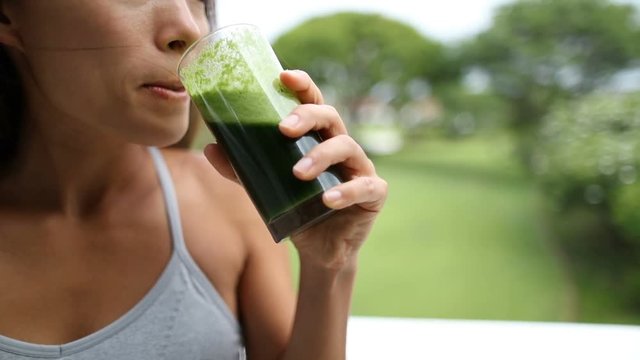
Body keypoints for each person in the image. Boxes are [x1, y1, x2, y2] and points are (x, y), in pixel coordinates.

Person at [0, 0, 387, 359]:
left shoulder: (232, 203)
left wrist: (330, 262)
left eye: (200, 1)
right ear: (8, 16)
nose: (187, 27)